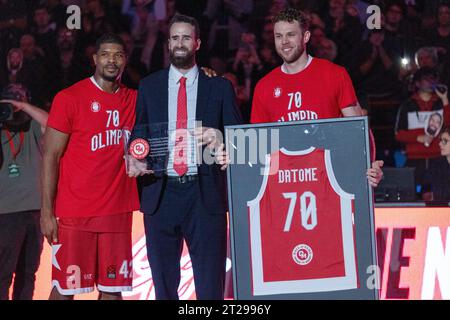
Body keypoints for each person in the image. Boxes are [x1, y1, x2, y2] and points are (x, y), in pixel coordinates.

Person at [128, 14, 243, 300]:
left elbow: (241, 142)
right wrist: (135, 156)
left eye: (186, 37)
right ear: (168, 43)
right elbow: (139, 135)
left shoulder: (219, 87)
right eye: (175, 37)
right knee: (164, 286)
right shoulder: (149, 86)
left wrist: (221, 140)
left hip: (204, 194)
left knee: (209, 286)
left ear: (198, 43)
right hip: (160, 192)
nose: (180, 43)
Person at [40, 33, 140, 300]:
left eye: (118, 55)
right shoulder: (69, 97)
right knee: (64, 290)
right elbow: (50, 155)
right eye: (106, 54)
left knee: (113, 291)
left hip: (117, 214)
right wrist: (47, 212)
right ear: (95, 59)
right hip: (75, 214)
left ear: (125, 61)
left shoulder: (135, 100)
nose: (112, 60)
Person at [250, 7, 383, 187]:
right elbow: (258, 147)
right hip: (285, 184)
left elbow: (358, 129)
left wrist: (370, 166)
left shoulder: (334, 74)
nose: (284, 42)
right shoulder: (264, 86)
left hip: (329, 181)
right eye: (278, 36)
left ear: (305, 37)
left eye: (291, 35)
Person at [0, 83, 48, 300]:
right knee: (3, 273)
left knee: (28, 273)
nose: (15, 101)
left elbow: (51, 122)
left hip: (36, 212)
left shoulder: (33, 128)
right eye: (11, 97)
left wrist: (23, 107)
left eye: (20, 96)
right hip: (6, 213)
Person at [395, 67, 450, 186]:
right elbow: (398, 134)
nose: (431, 82)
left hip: (438, 157)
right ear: (417, 83)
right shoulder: (407, 105)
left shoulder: (441, 103)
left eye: (433, 78)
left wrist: (445, 99)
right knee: (409, 196)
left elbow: (448, 127)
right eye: (427, 79)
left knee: (440, 196)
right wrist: (419, 137)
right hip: (414, 158)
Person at [422, 126, 450, 201]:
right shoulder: (435, 165)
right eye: (440, 140)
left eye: (445, 141)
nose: (440, 144)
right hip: (438, 209)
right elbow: (425, 187)